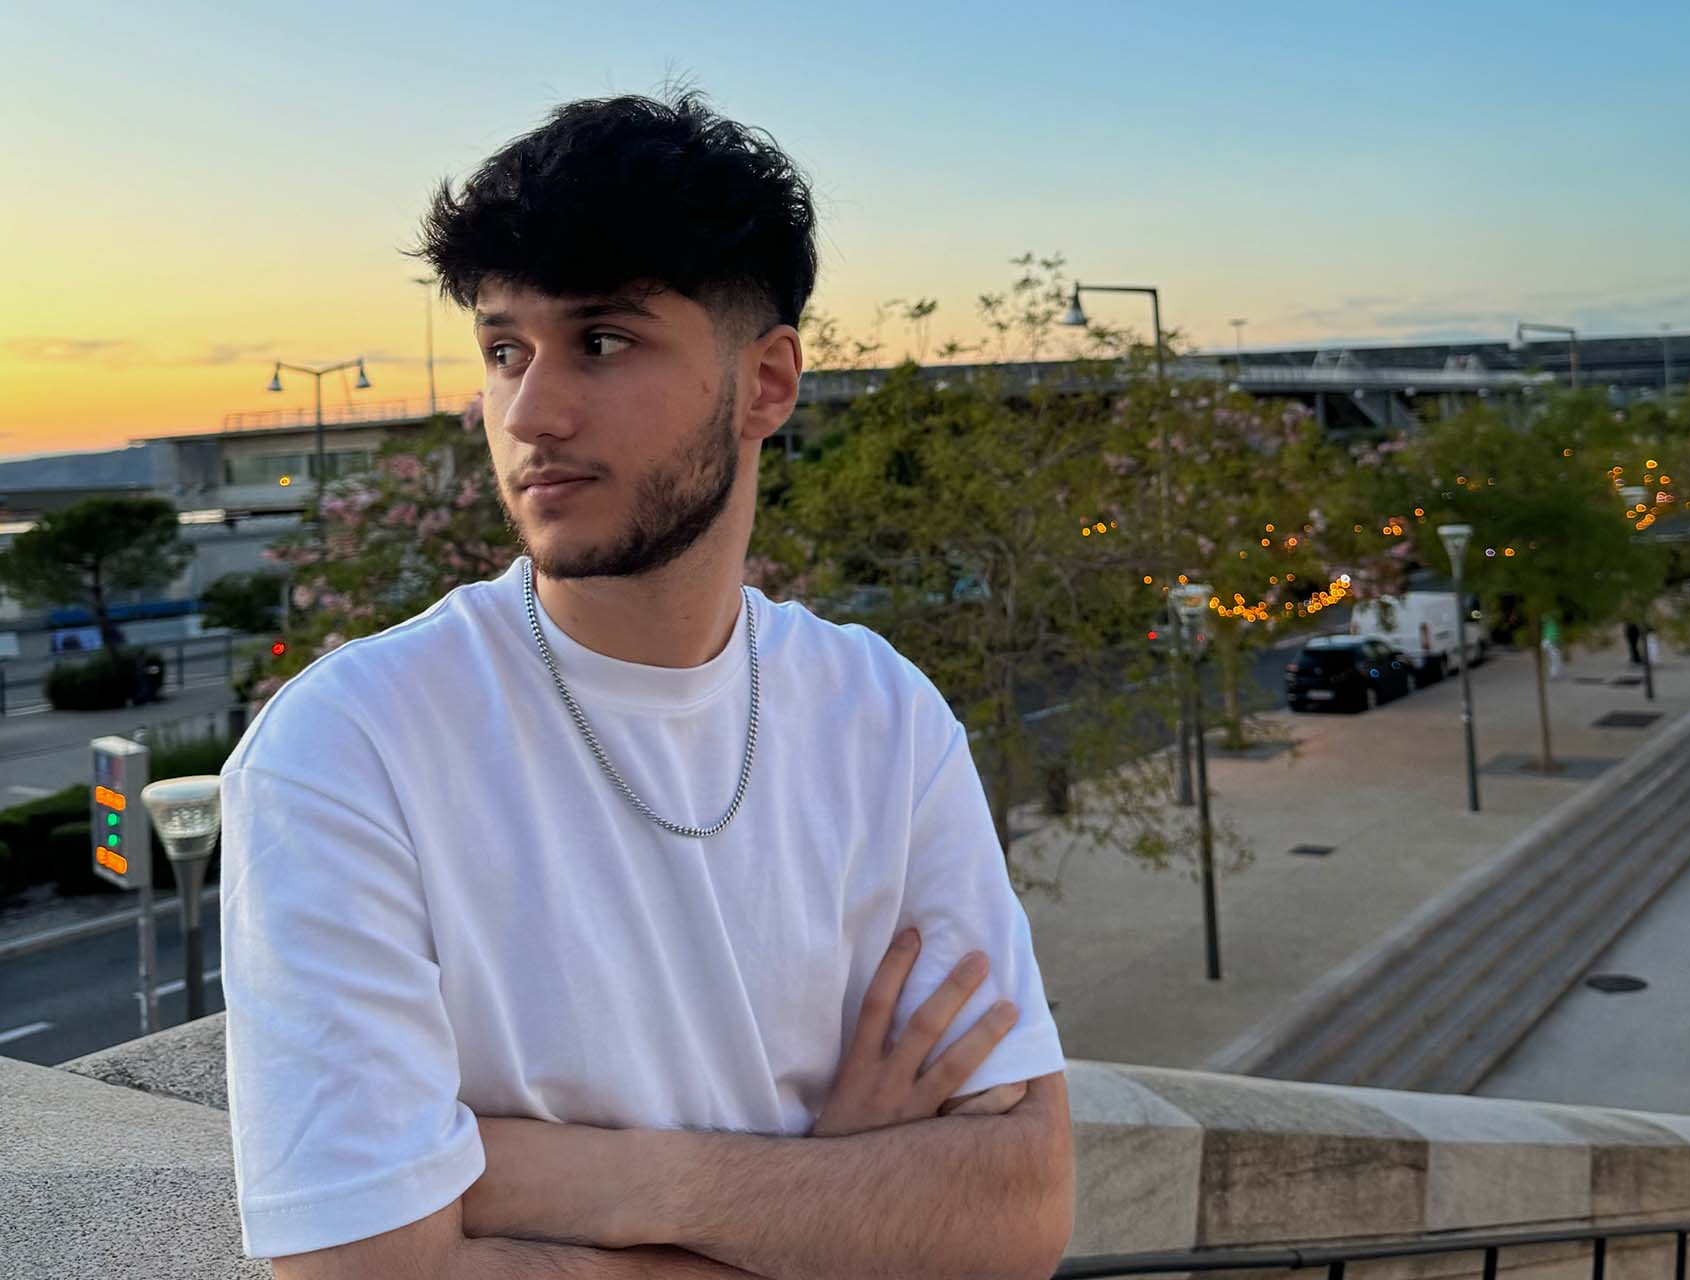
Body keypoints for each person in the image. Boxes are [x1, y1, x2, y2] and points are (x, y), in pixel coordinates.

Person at [218, 94, 1073, 1278]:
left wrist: (596, 1180)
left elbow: (1022, 1209)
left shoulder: (881, 712)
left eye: (603, 342)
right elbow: (369, 1273)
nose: (528, 412)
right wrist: (837, 1196)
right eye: (506, 349)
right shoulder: (351, 746)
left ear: (766, 384)